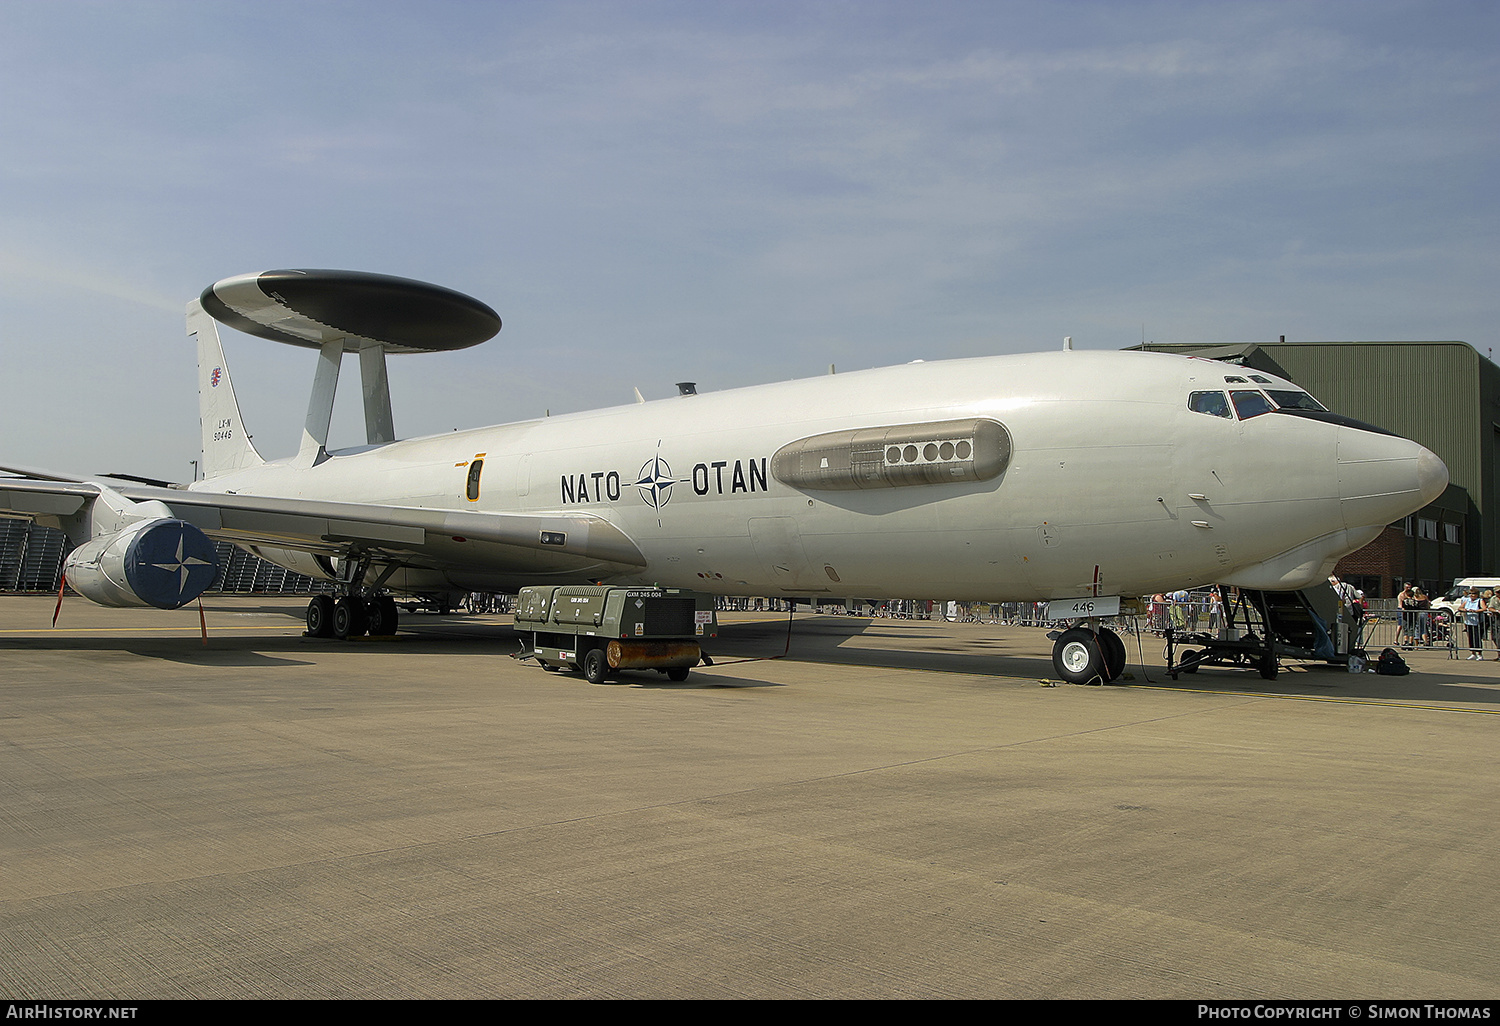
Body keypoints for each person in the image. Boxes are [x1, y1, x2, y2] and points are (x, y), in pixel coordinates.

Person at [1460, 587, 1484, 660]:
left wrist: (1476, 611)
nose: (1472, 595)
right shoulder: (1467, 600)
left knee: (1477, 637)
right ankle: (1473, 653)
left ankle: (1479, 654)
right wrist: (1465, 609)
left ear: (1477, 594)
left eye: (1473, 594)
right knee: (1470, 637)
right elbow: (1460, 608)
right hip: (1468, 621)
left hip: (1477, 622)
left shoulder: (1480, 601)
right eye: (1470, 593)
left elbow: (1484, 608)